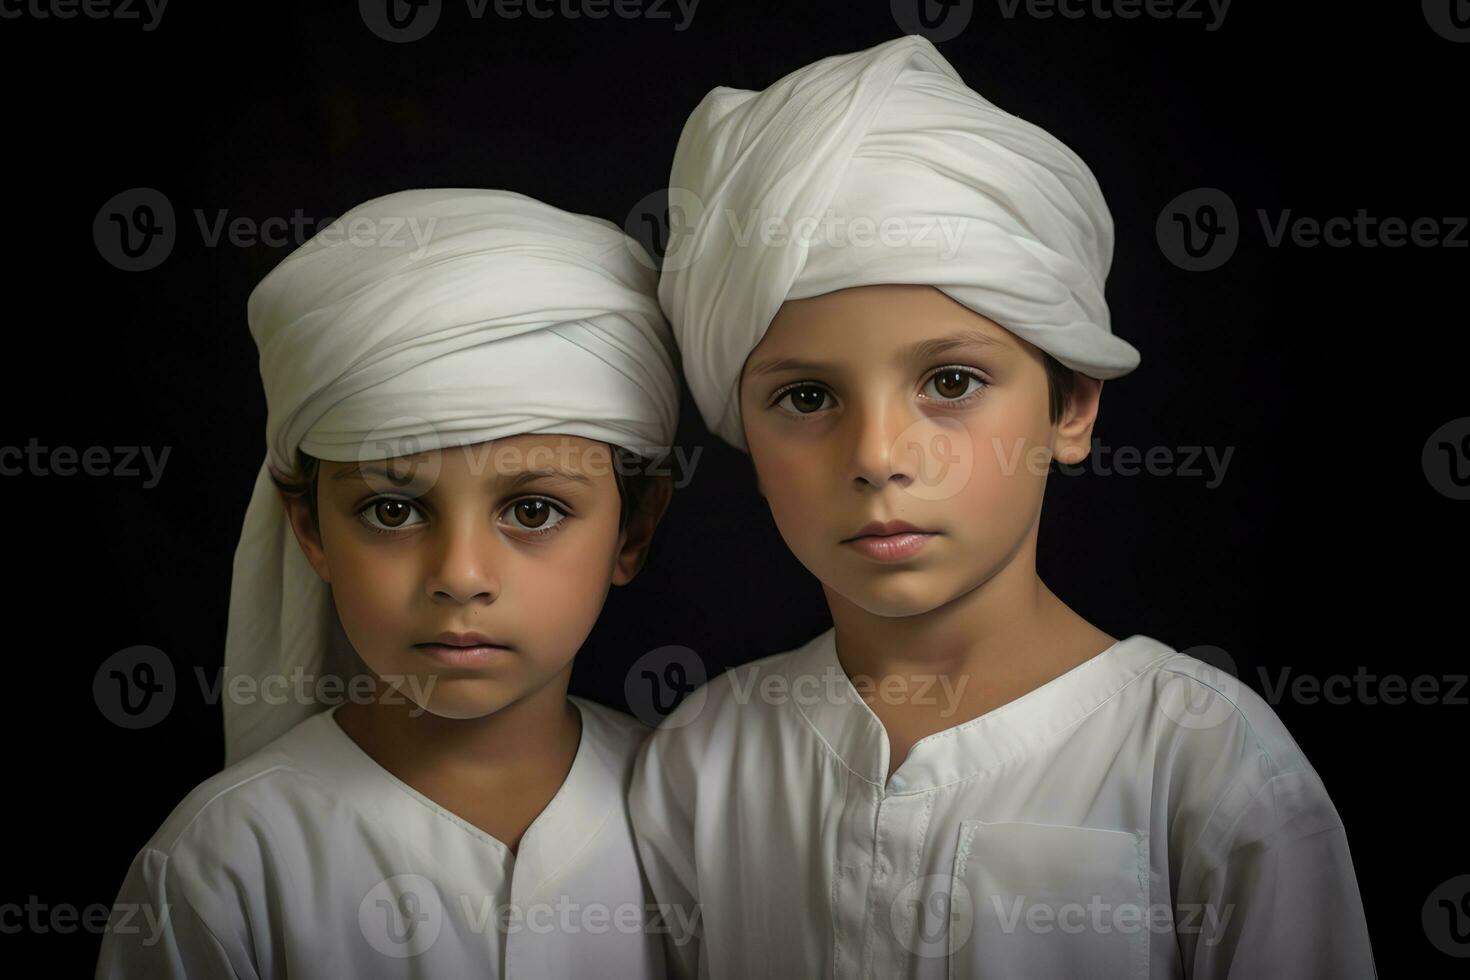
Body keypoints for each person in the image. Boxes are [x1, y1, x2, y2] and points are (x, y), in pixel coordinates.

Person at [629, 35, 1377, 979]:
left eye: (950, 380)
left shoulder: (1204, 764)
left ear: (1071, 406)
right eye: (808, 398)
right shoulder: (705, 760)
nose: (877, 458)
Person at [96, 188, 680, 978]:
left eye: (534, 510)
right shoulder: (223, 868)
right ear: (312, 531)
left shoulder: (701, 818)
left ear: (633, 527)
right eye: (394, 509)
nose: (460, 577)